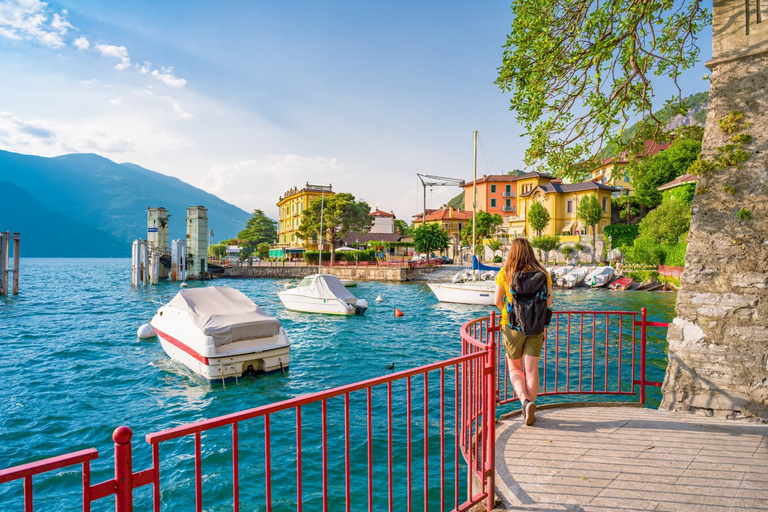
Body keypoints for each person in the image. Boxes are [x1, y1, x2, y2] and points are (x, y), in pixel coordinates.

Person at [494, 238, 553, 426]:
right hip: (536, 326)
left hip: (511, 326)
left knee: (514, 369)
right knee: (531, 369)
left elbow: (497, 300)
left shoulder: (506, 273)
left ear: (511, 253)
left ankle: (524, 402)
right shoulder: (543, 273)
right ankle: (531, 405)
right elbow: (548, 302)